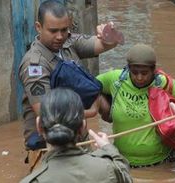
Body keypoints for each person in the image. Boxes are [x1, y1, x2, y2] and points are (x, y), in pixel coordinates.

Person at [19, 0, 122, 150]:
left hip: (77, 132)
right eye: (53, 31)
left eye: (64, 30)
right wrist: (91, 111)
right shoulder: (35, 65)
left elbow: (104, 44)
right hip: (49, 142)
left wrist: (110, 34)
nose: (60, 36)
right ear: (38, 27)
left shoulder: (69, 42)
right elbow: (45, 113)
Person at [96, 43, 175, 167]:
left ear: (154, 70)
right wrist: (105, 110)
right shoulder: (115, 80)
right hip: (121, 162)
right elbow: (88, 87)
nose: (139, 77)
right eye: (134, 72)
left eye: (145, 73)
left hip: (162, 163)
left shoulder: (164, 84)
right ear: (128, 68)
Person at [19, 88, 133, 183]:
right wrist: (109, 149)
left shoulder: (32, 181)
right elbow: (125, 176)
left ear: (39, 126)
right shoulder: (109, 169)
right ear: (83, 126)